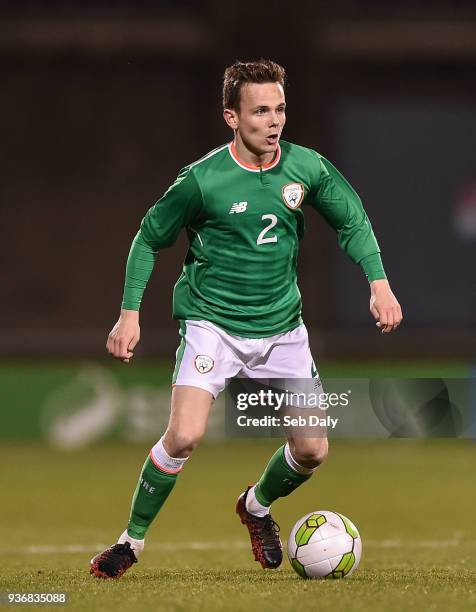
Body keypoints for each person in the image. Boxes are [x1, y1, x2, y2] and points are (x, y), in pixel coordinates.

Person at [90, 59, 402, 579]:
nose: (274, 120)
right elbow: (149, 237)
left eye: (280, 108)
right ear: (231, 117)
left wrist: (379, 282)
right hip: (212, 323)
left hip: (283, 329)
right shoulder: (202, 181)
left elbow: (352, 219)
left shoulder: (306, 168)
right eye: (260, 111)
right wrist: (129, 314)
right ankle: (130, 542)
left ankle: (256, 506)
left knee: (312, 449)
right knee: (184, 435)